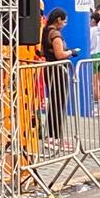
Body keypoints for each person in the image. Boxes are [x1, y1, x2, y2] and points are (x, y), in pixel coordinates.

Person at [41, 8, 78, 145]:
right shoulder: (55, 34)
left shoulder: (45, 32)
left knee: (54, 102)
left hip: (49, 70)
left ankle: (52, 136)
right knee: (58, 103)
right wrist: (71, 52)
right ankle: (55, 136)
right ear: (59, 20)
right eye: (65, 21)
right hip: (57, 71)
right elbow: (59, 54)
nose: (65, 24)